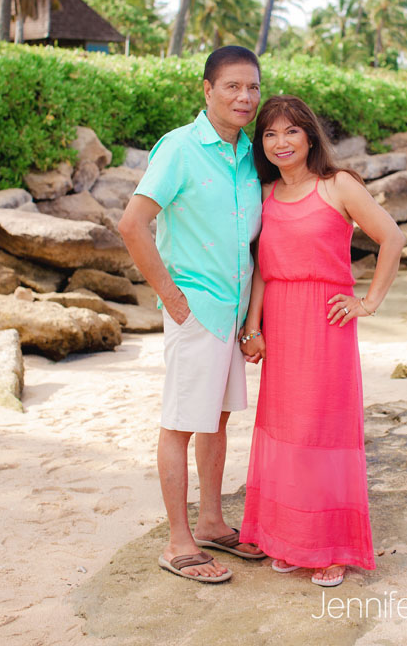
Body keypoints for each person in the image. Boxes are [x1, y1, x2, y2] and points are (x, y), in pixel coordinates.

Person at [238, 95, 406, 588]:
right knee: (286, 430)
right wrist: (253, 329)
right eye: (270, 134)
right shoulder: (266, 195)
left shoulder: (339, 185)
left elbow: (391, 238)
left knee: (321, 431)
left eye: (291, 131)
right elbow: (265, 272)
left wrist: (368, 302)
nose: (281, 142)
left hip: (327, 323)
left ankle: (330, 546)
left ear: (310, 135)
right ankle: (291, 539)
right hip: (282, 328)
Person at [118, 45, 267, 583]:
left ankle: (210, 522)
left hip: (230, 315)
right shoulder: (180, 148)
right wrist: (171, 296)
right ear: (207, 90)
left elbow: (253, 243)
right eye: (232, 86)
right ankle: (177, 543)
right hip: (195, 310)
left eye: (252, 87)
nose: (244, 97)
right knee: (181, 423)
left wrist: (253, 322)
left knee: (217, 419)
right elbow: (132, 225)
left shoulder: (250, 155)